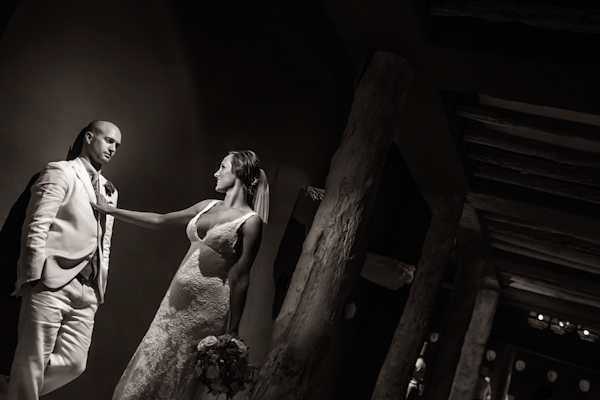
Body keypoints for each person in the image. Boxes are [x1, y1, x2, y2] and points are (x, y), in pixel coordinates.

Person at [93, 150, 269, 400]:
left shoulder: (251, 222)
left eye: (222, 167)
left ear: (239, 172)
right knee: (151, 363)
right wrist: (110, 210)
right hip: (173, 304)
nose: (216, 173)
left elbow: (241, 276)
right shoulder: (206, 205)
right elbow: (159, 220)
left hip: (207, 310)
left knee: (177, 375)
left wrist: (233, 331)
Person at [7, 120, 122, 399]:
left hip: (88, 289)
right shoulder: (60, 171)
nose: (113, 149)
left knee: (74, 363)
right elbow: (36, 224)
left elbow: (103, 240)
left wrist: (98, 286)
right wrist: (32, 277)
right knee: (32, 361)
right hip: (50, 281)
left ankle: (13, 391)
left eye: (117, 146)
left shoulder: (110, 191)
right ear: (89, 137)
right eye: (109, 141)